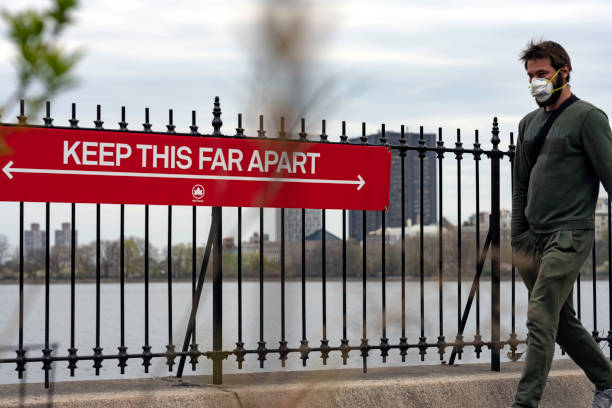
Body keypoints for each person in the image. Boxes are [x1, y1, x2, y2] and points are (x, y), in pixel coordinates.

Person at [511, 40, 612, 408]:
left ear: (563, 71)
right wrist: (518, 237)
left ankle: (524, 404)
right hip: (530, 238)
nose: (535, 82)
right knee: (561, 321)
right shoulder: (528, 124)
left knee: (540, 314)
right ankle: (608, 383)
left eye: (541, 74)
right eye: (530, 76)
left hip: (569, 235)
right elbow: (520, 185)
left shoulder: (589, 118)